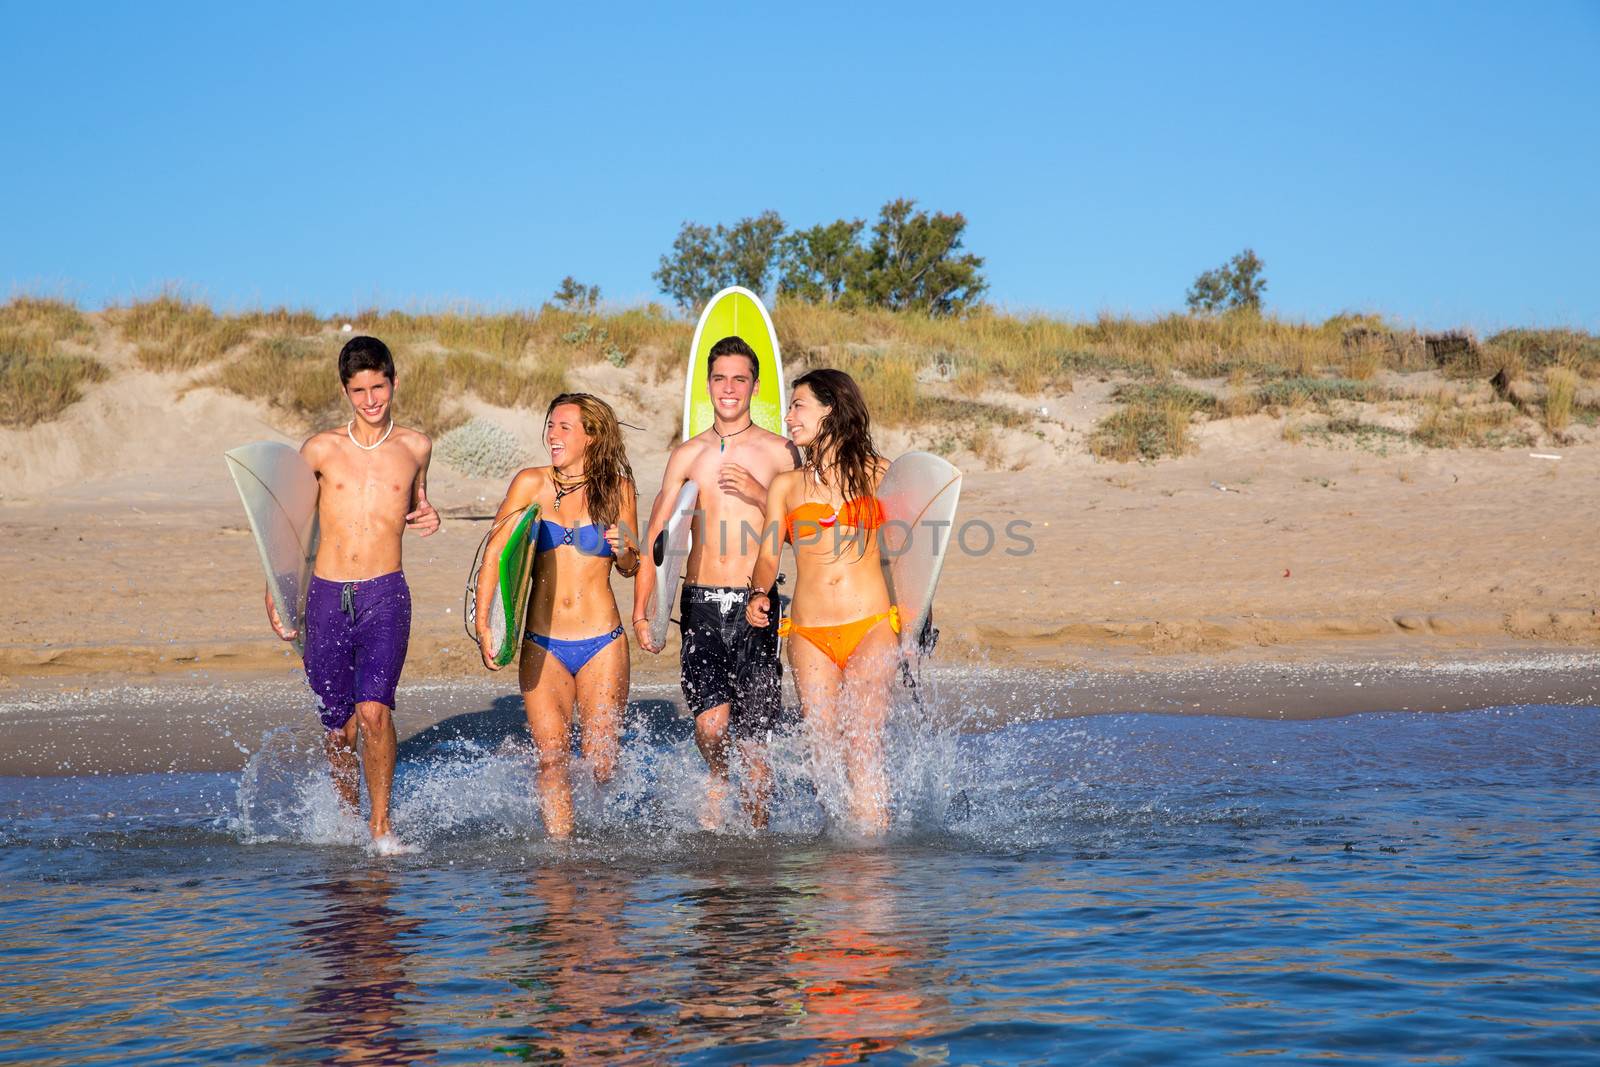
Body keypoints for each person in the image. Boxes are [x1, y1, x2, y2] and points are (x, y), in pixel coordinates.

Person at [266, 335, 440, 850]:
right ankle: (347, 817)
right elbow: (292, 527)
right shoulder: (320, 450)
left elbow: (420, 504)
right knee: (339, 729)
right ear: (346, 391)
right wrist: (276, 590)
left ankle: (381, 827)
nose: (370, 401)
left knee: (374, 712)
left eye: (378, 387)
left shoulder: (416, 447)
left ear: (393, 382)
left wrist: (430, 514)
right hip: (325, 597)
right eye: (359, 390)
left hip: (385, 594)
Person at [632, 336, 800, 829]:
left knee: (755, 740)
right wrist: (645, 611)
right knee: (711, 725)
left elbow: (808, 532)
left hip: (758, 604)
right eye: (720, 378)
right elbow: (657, 537)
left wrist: (760, 491)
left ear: (755, 385)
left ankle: (757, 838)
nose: (729, 388)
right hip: (700, 602)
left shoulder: (780, 452)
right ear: (707, 385)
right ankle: (719, 776)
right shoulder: (688, 454)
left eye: (740, 379)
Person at [477, 392, 639, 838]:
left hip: (602, 641)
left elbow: (630, 566)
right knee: (551, 759)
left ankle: (600, 840)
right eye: (551, 425)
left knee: (601, 761)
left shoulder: (617, 489)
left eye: (565, 427)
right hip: (541, 642)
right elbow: (496, 554)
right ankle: (563, 854)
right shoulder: (530, 484)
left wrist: (625, 550)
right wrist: (485, 626)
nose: (553, 434)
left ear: (592, 435)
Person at [746, 368, 897, 834]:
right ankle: (840, 854)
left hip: (870, 624)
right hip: (809, 634)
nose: (788, 417)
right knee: (824, 751)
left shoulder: (879, 473)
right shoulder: (786, 486)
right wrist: (759, 590)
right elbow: (769, 553)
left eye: (797, 406)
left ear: (830, 409)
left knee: (862, 745)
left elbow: (907, 554)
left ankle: (870, 862)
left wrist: (919, 613)